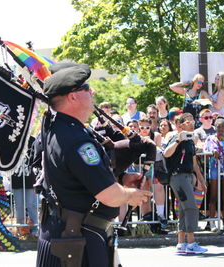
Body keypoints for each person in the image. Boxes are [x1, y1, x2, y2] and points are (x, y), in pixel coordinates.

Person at [37, 64, 151, 267]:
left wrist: (121, 180)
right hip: (79, 242)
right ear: (72, 97)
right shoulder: (78, 141)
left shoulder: (58, 128)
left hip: (68, 234)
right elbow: (109, 196)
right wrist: (130, 194)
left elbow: (74, 179)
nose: (93, 91)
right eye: (86, 87)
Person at [164, 113, 207, 254]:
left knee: (184, 209)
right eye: (188, 122)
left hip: (187, 177)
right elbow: (166, 153)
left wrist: (201, 180)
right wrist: (177, 140)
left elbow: (194, 164)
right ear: (180, 125)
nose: (192, 124)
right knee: (191, 207)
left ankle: (181, 243)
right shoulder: (176, 138)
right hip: (178, 177)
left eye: (193, 121)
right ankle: (191, 243)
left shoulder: (190, 141)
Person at [204, 118, 224, 232]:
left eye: (223, 127)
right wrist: (212, 152)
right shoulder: (210, 139)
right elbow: (206, 152)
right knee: (213, 195)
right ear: (215, 127)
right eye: (218, 127)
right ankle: (212, 222)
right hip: (214, 168)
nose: (220, 129)